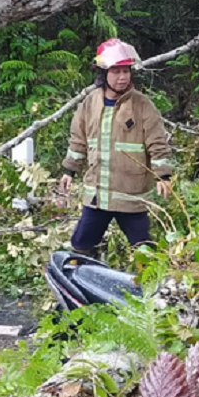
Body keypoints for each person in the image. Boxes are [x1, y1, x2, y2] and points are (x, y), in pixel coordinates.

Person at [60, 39, 173, 255]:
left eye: (126, 71)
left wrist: (163, 176)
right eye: (116, 71)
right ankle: (86, 279)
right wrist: (69, 170)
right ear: (104, 74)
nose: (122, 77)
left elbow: (157, 142)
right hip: (97, 196)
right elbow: (78, 140)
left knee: (144, 251)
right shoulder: (90, 103)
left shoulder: (142, 105)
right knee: (81, 245)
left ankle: (153, 287)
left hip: (130, 195)